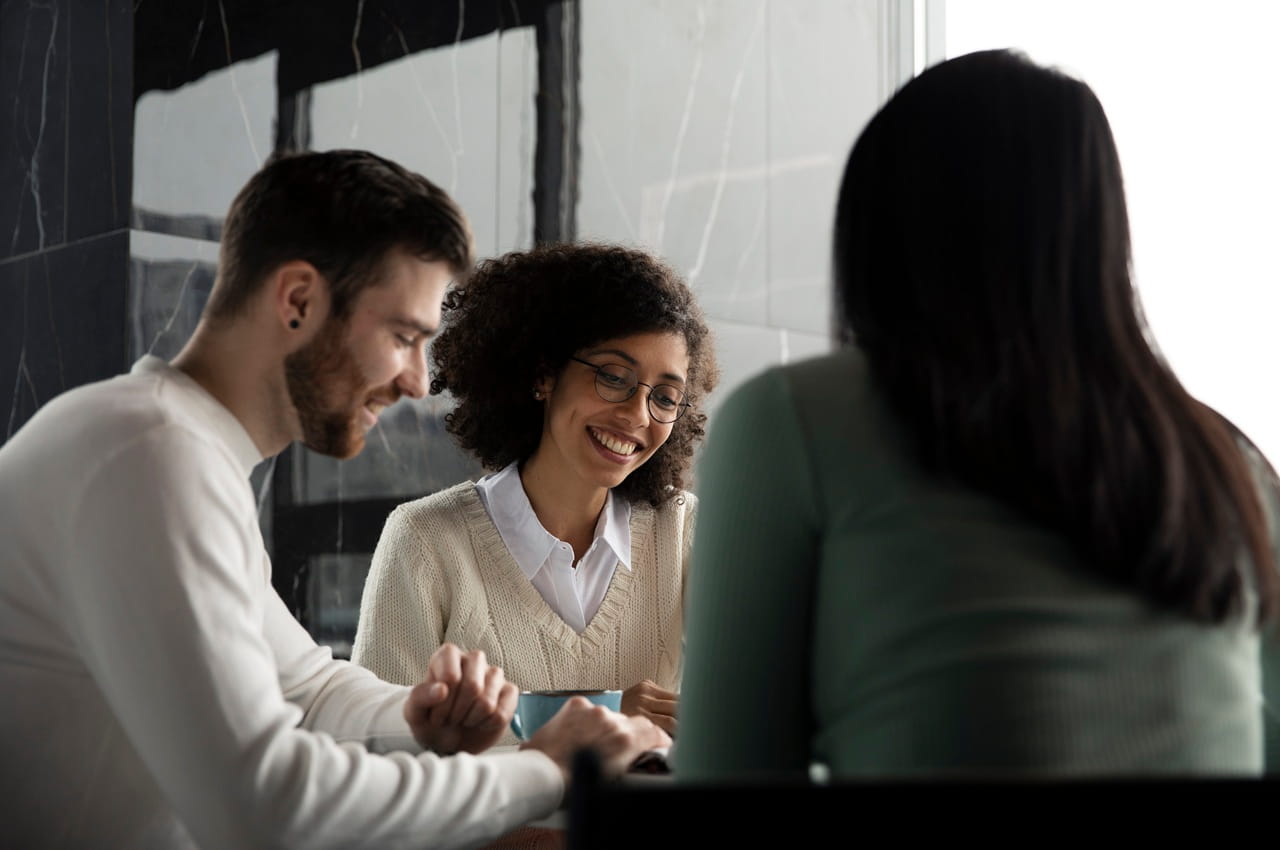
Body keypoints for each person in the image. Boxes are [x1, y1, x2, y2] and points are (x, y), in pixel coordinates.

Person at [0, 149, 667, 850]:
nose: (417, 381)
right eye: (405, 337)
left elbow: (308, 690)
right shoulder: (150, 455)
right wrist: (545, 773)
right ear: (297, 300)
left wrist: (417, 714)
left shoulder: (171, 447)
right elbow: (265, 805)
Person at [677, 49, 1280, 780]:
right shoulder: (1224, 457)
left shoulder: (792, 420)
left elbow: (726, 774)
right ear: (1101, 229)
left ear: (879, 227)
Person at [351, 242, 719, 740]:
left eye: (666, 397)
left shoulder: (685, 531)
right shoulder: (425, 542)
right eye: (613, 377)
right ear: (544, 374)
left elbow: (761, 712)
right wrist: (603, 719)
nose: (637, 415)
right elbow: (377, 758)